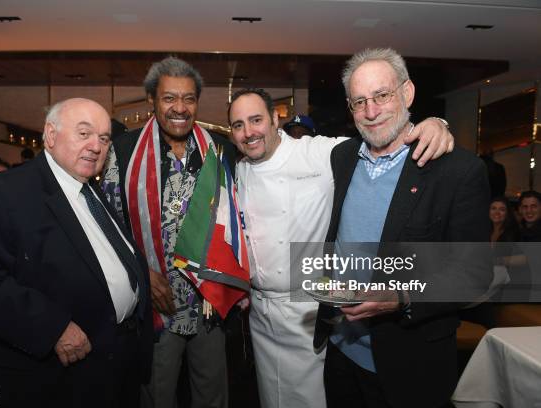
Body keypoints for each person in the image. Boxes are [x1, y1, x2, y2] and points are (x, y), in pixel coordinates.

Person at [228, 85, 454, 408]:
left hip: (306, 306)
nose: (249, 132)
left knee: (312, 399)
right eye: (238, 125)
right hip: (261, 312)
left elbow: (381, 139)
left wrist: (434, 124)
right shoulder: (238, 169)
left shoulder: (318, 152)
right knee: (270, 397)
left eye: (256, 120)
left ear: (275, 120)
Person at [314, 47, 490, 408]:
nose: (371, 111)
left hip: (408, 363)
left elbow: (474, 273)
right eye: (359, 102)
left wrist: (402, 297)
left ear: (407, 93)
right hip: (341, 349)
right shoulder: (343, 157)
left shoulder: (458, 170)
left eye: (382, 95)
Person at [0, 98, 152, 408]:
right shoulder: (0, 193)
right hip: (52, 380)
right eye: (83, 133)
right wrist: (52, 327)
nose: (96, 146)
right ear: (50, 135)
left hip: (113, 367)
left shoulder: (91, 191)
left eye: (103, 138)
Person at [103, 57, 245, 408]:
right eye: (169, 98)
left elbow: (236, 219)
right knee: (157, 396)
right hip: (157, 303)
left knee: (213, 396)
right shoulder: (123, 151)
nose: (179, 108)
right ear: (152, 100)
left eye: (188, 99)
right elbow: (108, 229)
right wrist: (142, 274)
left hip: (209, 300)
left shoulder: (219, 148)